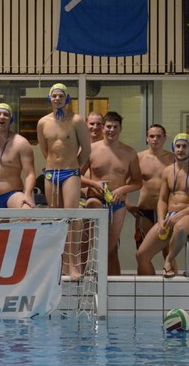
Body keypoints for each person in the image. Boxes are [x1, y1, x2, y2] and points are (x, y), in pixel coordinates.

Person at [36, 84, 92, 281]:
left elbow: (86, 149)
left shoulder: (76, 121)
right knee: (57, 219)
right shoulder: (43, 122)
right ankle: (61, 263)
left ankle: (74, 263)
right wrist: (54, 164)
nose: (57, 99)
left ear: (66, 98)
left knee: (72, 217)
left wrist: (74, 167)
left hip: (70, 173)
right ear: (49, 98)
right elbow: (45, 150)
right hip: (51, 173)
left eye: (61, 96)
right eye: (54, 96)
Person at [136, 133, 189, 277]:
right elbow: (162, 200)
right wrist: (160, 220)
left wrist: (179, 215)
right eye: (178, 146)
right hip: (169, 216)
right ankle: (151, 288)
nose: (180, 149)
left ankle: (169, 260)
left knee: (180, 227)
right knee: (141, 256)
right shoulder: (168, 171)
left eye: (184, 146)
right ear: (173, 147)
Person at [82, 111, 142, 275]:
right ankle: (85, 276)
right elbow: (76, 176)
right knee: (90, 243)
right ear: (103, 128)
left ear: (120, 129)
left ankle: (112, 284)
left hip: (117, 204)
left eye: (115, 127)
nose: (112, 130)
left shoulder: (129, 153)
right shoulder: (91, 150)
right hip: (95, 199)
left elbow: (138, 182)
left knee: (110, 249)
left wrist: (123, 189)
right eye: (108, 126)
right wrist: (94, 184)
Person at [0, 103, 35, 208]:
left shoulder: (21, 143)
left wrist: (27, 195)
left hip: (11, 194)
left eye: (5, 114)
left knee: (26, 210)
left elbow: (30, 174)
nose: (1, 117)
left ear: (11, 119)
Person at [130, 124, 173, 249]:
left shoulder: (173, 159)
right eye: (152, 136)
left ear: (165, 138)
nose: (155, 139)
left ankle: (168, 264)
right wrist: (128, 205)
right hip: (145, 210)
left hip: (167, 212)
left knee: (167, 251)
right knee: (142, 250)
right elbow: (123, 182)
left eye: (159, 136)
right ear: (147, 138)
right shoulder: (138, 158)